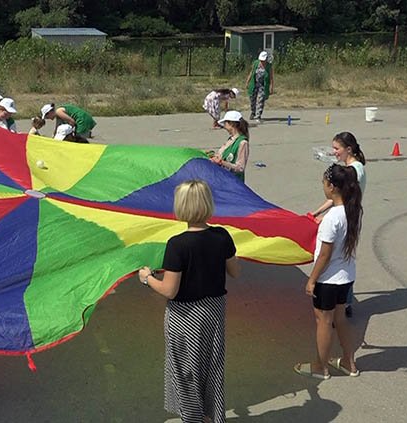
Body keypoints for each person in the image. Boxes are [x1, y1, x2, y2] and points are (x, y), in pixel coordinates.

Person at [138, 180, 239, 423]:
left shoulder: (178, 244)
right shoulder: (222, 236)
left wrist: (147, 278)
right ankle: (209, 416)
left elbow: (169, 290)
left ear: (181, 207)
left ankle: (192, 418)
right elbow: (235, 271)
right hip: (214, 312)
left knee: (185, 371)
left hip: (185, 317)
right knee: (211, 367)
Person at [294, 164, 362, 381]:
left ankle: (320, 366)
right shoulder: (353, 210)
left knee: (323, 320)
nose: (323, 187)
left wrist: (312, 279)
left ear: (332, 187)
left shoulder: (332, 218)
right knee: (340, 318)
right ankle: (349, 363)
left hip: (328, 279)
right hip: (346, 276)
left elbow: (324, 254)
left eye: (324, 183)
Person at [309, 132, 366, 316]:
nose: (334, 152)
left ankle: (344, 303)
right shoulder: (352, 168)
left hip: (347, 216)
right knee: (344, 255)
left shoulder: (354, 170)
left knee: (339, 255)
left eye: (337, 148)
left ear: (348, 149)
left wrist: (324, 217)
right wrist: (317, 212)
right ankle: (344, 302)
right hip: (348, 215)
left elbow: (339, 197)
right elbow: (337, 197)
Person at [210, 111, 250, 182]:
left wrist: (221, 162)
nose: (224, 126)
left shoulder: (242, 143)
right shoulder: (230, 139)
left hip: (234, 181)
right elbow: (222, 155)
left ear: (232, 124)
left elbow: (240, 167)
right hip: (224, 178)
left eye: (225, 123)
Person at [245, 51, 274, 123]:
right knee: (252, 98)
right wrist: (247, 82)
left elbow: (271, 77)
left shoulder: (269, 66)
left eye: (263, 60)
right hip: (254, 84)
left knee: (261, 100)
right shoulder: (255, 63)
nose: (262, 62)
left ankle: (258, 115)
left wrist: (271, 87)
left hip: (263, 85)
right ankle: (253, 112)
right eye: (261, 60)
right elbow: (251, 72)